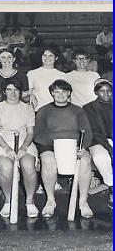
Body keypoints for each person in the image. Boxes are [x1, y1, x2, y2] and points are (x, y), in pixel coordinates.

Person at [34, 79, 93, 218]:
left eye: (64, 92)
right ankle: (50, 200)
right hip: (51, 145)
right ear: (52, 93)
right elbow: (37, 134)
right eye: (56, 92)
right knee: (48, 160)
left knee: (85, 160)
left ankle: (83, 202)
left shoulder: (78, 111)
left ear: (69, 93)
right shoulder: (44, 110)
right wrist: (55, 143)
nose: (60, 95)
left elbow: (87, 132)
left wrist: (82, 147)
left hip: (74, 145)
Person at [0, 78, 38, 218]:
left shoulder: (28, 108)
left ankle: (29, 201)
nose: (13, 93)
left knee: (28, 165)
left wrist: (23, 148)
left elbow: (30, 132)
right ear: (4, 92)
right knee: (6, 167)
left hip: (24, 142)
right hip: (3, 143)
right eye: (9, 89)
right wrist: (7, 149)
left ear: (20, 92)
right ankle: (8, 200)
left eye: (16, 90)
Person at [83, 78, 113, 209]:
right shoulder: (88, 108)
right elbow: (94, 132)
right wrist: (109, 147)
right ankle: (111, 186)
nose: (106, 94)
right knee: (102, 157)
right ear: (96, 92)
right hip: (98, 141)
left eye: (109, 91)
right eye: (102, 91)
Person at [27, 45, 67, 112]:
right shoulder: (32, 73)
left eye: (50, 55)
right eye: (44, 55)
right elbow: (27, 94)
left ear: (56, 58)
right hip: (38, 110)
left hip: (56, 110)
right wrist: (31, 96)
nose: (47, 58)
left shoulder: (62, 75)